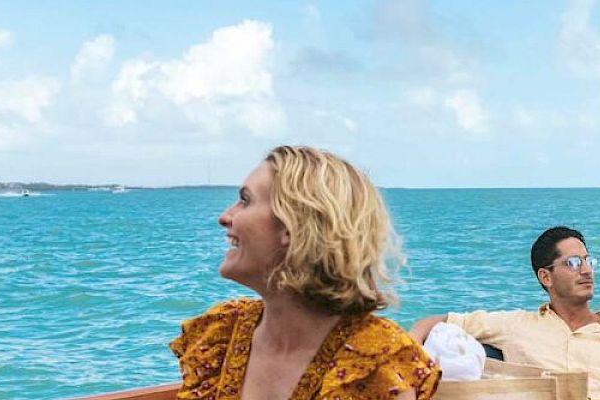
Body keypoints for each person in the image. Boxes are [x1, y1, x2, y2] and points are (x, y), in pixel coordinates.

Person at [171, 146, 440, 399]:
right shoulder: (221, 333)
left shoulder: (376, 362)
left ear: (294, 225)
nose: (225, 216)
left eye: (245, 200)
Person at [408, 226, 600, 400]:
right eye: (573, 263)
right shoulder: (514, 326)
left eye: (588, 261)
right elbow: (435, 322)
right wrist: (409, 360)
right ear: (546, 277)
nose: (586, 270)